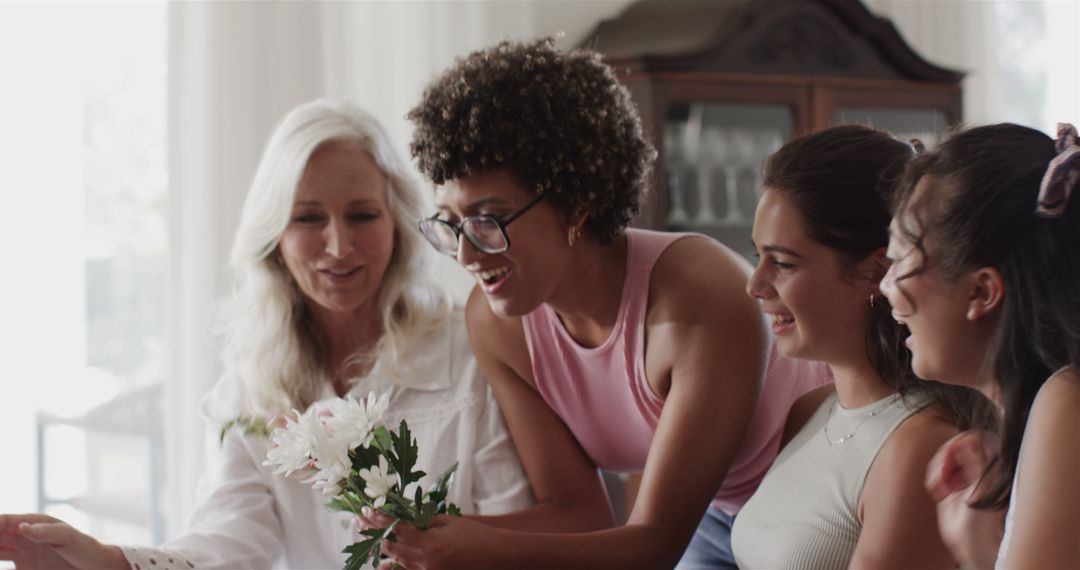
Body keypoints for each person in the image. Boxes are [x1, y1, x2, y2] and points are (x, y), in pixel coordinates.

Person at [0, 99, 533, 569]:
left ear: (397, 223)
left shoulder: (470, 356)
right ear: (274, 236)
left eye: (362, 214)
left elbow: (521, 529)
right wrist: (111, 562)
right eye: (307, 219)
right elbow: (228, 545)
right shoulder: (246, 391)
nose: (339, 245)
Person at [366, 37, 830, 570]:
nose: (467, 254)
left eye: (489, 221)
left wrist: (476, 546)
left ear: (578, 205)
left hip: (815, 506)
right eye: (450, 224)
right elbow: (576, 514)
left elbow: (652, 546)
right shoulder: (497, 324)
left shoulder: (699, 297)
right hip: (710, 516)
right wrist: (423, 536)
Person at [729, 125, 994, 569]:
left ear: (875, 270)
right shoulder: (810, 410)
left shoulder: (920, 445)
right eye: (759, 258)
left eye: (785, 263)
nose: (755, 286)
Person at [881, 123, 1079, 569]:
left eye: (897, 260)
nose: (885, 287)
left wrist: (973, 555)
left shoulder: (1067, 401)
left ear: (981, 292)